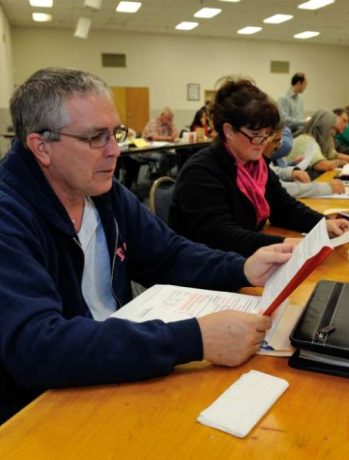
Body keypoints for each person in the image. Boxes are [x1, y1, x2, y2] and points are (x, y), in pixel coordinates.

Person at [0, 67, 298, 424]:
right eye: (97, 137)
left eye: (115, 133)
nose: (116, 151)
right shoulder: (9, 216)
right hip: (42, 406)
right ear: (42, 147)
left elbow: (169, 253)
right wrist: (194, 339)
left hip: (118, 368)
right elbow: (37, 346)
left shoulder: (105, 193)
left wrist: (241, 267)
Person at [169, 78, 349, 257]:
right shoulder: (201, 172)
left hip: (237, 259)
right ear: (229, 130)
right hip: (202, 267)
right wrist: (283, 244)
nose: (264, 143)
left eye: (268, 134)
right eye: (256, 135)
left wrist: (323, 224)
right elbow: (220, 236)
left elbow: (283, 207)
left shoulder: (255, 164)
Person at [264, 126, 346, 198]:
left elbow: (272, 171)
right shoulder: (306, 139)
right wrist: (325, 188)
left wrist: (291, 172)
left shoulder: (262, 159)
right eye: (276, 141)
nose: (279, 147)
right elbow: (280, 188)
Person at [287, 109, 349, 179]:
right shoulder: (306, 139)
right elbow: (322, 165)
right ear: (324, 127)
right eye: (331, 128)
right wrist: (339, 162)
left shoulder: (321, 140)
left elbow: (334, 154)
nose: (332, 133)